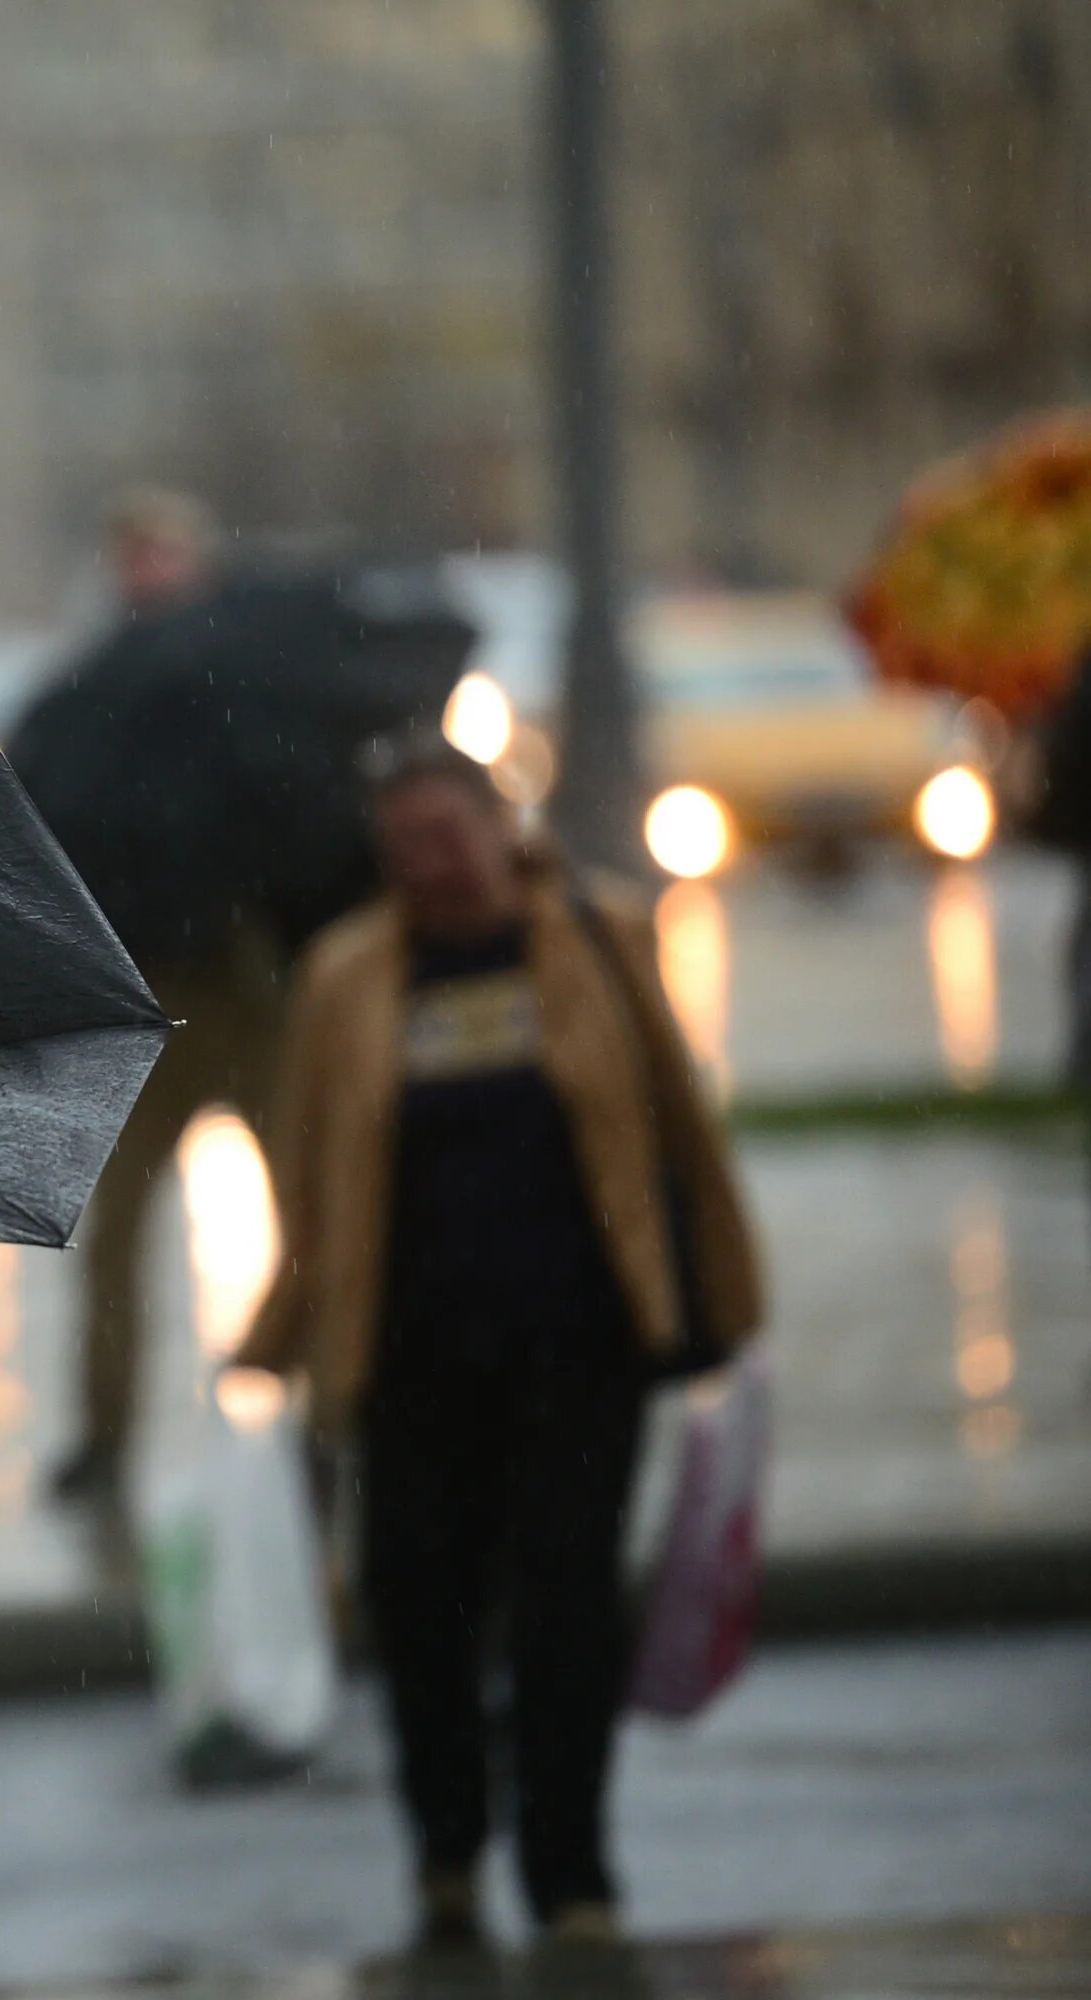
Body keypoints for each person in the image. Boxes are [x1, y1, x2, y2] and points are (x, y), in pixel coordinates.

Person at [235, 730, 762, 1952]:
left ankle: (572, 1869)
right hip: (410, 1354)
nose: (428, 862)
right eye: (401, 843)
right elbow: (313, 1179)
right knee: (420, 1612)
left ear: (498, 825)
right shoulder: (346, 975)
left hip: (580, 1343)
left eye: (447, 832)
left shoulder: (599, 935)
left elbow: (675, 1125)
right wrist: (273, 1337)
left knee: (569, 1609)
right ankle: (447, 1854)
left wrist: (715, 1296)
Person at [15, 487, 277, 1510]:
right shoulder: (89, 703)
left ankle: (319, 1397)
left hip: (246, 981)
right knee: (115, 1236)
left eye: (166, 556)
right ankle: (105, 1433)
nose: (151, 578)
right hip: (140, 996)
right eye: (137, 559)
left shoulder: (250, 686)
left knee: (313, 1209)